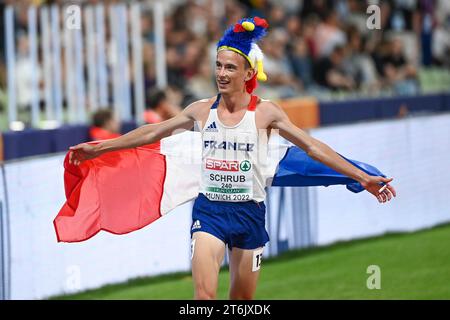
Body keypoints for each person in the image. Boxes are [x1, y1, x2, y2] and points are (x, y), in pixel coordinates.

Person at [69, 17, 396, 300]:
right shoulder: (201, 109)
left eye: (230, 67)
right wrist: (99, 148)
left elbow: (312, 148)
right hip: (210, 211)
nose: (221, 73)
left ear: (247, 72)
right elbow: (153, 132)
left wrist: (360, 176)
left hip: (249, 214)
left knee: (241, 299)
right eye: (218, 65)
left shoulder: (266, 112)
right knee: (204, 295)